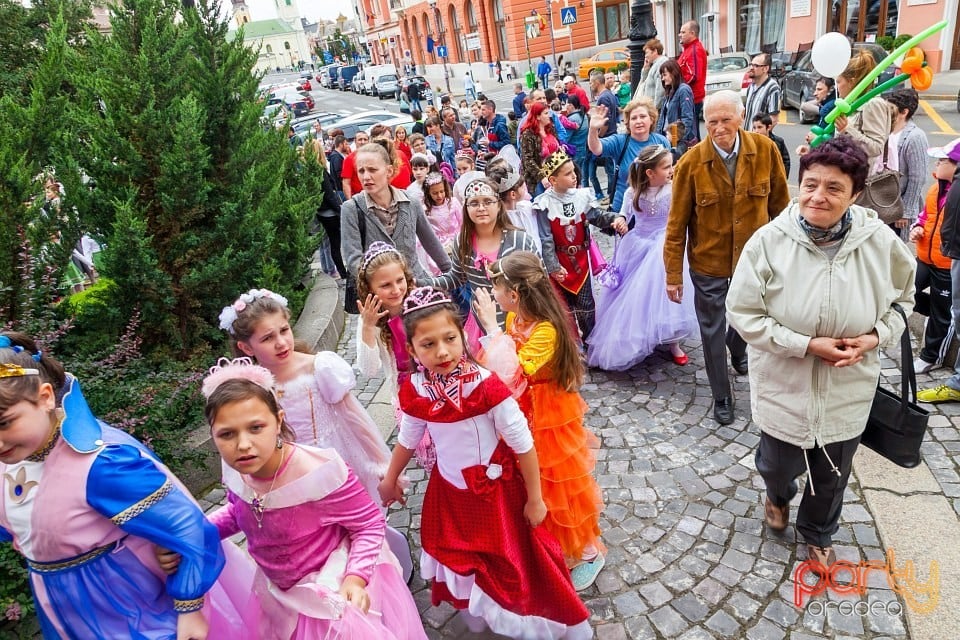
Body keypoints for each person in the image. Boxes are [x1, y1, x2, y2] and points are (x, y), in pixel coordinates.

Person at [726, 135, 915, 568]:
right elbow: (742, 311)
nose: (818, 196)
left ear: (855, 194)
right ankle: (777, 494)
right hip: (783, 385)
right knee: (777, 464)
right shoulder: (769, 242)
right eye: (811, 184)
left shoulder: (879, 244)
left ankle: (817, 532)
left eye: (834, 188)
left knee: (831, 475)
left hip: (847, 386)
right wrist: (805, 345)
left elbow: (905, 302)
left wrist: (874, 338)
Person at [0, 332, 250, 639]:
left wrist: (189, 607)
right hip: (61, 610)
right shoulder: (10, 460)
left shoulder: (100, 465)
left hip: (127, 613)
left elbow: (189, 528)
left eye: (4, 422)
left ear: (45, 397)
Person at [377, 287, 592, 639]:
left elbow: (523, 443)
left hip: (495, 497)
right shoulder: (416, 390)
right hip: (450, 494)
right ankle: (477, 610)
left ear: (463, 336)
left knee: (506, 561)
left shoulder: (485, 385)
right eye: (428, 345)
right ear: (412, 350)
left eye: (450, 338)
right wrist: (390, 478)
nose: (442, 351)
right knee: (461, 559)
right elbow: (409, 437)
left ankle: (520, 618)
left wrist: (535, 499)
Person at [197, 359, 428, 639]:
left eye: (256, 427)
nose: (243, 444)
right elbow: (239, 512)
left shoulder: (320, 471)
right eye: (227, 434)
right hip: (279, 595)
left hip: (327, 598)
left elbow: (368, 524)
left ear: (278, 420)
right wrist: (195, 533)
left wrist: (355, 578)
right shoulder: (237, 471)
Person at [475, 252, 606, 590]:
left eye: (496, 288)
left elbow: (513, 370)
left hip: (548, 413)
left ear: (514, 295)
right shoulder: (513, 321)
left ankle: (588, 552)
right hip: (522, 410)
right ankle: (548, 541)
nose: (494, 295)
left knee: (558, 480)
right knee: (529, 478)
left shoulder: (545, 331)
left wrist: (490, 328)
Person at [663, 90, 790, 425]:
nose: (719, 128)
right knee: (712, 331)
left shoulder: (765, 151)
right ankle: (722, 395)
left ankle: (739, 345)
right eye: (711, 122)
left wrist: (790, 255)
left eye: (725, 120)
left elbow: (781, 208)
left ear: (742, 116)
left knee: (754, 319)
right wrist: (673, 275)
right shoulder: (690, 164)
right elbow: (676, 226)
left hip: (755, 260)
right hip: (709, 262)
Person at [588, 144, 697, 370]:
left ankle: (672, 341)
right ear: (650, 172)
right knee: (636, 294)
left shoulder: (673, 189)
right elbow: (625, 215)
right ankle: (639, 332)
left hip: (664, 244)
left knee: (666, 295)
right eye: (666, 167)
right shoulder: (632, 192)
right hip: (638, 244)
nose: (671, 170)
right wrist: (619, 220)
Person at [425, 178, 539, 341]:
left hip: (522, 322)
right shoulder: (462, 242)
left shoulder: (520, 240)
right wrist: (424, 283)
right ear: (466, 208)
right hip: (483, 324)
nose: (481, 208)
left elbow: (539, 282)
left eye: (487, 202)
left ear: (498, 205)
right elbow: (457, 278)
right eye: (474, 203)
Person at [533, 151, 628, 340]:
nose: (574, 175)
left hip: (581, 262)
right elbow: (546, 238)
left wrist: (616, 218)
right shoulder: (544, 204)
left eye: (573, 171)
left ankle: (591, 339)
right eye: (567, 174)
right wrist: (552, 266)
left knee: (586, 305)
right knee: (565, 308)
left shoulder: (581, 197)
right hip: (560, 265)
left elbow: (597, 217)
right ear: (553, 180)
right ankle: (573, 345)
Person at [340, 143, 451, 282]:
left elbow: (431, 243)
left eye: (372, 170)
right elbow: (354, 261)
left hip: (418, 287)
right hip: (381, 295)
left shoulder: (411, 202)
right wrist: (384, 284)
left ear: (389, 171)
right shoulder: (351, 209)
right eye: (361, 171)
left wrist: (453, 275)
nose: (366, 177)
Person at [910, 139, 960, 375]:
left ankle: (932, 356)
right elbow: (925, 216)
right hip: (924, 257)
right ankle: (936, 313)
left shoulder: (956, 195)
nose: (938, 164)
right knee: (906, 291)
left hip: (946, 265)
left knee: (943, 313)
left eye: (943, 160)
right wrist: (916, 228)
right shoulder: (935, 189)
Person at [587, 97, 671, 213]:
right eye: (634, 118)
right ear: (628, 123)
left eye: (643, 116)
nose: (638, 121)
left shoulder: (662, 142)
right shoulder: (620, 141)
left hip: (654, 210)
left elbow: (670, 172)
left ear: (651, 119)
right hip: (624, 209)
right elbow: (596, 148)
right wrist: (593, 129)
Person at [887, 88, 930, 239]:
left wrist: (905, 212)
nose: (887, 113)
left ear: (904, 112)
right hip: (883, 201)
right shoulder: (887, 129)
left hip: (899, 205)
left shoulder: (915, 137)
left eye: (891, 109)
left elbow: (918, 177)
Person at [486, 159, 542, 254]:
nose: (525, 188)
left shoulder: (527, 208)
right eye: (521, 186)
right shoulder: (500, 218)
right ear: (513, 194)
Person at [416, 172, 462, 275]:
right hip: (439, 246)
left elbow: (463, 223)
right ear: (428, 193)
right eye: (435, 193)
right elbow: (424, 232)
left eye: (442, 191)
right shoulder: (426, 210)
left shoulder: (453, 203)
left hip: (457, 241)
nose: (439, 195)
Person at [655, 59, 697, 159]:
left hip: (679, 142)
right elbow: (662, 118)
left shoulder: (683, 90)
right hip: (668, 139)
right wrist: (658, 138)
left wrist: (674, 139)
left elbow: (687, 119)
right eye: (662, 75)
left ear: (673, 73)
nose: (663, 78)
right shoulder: (669, 93)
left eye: (664, 75)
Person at [520, 102, 562, 196]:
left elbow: (556, 146)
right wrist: (542, 177)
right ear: (538, 116)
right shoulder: (528, 134)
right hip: (537, 180)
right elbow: (527, 159)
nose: (549, 116)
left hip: (555, 173)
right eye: (546, 113)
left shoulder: (550, 128)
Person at [591, 70, 620, 201]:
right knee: (611, 168)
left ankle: (610, 194)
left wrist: (599, 136)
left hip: (607, 135)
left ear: (597, 83)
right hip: (613, 133)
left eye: (591, 82)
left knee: (610, 169)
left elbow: (605, 121)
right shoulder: (610, 94)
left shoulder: (603, 97)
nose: (590, 85)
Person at [677, 20, 707, 141]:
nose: (680, 34)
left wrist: (677, 86)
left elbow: (693, 75)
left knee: (691, 132)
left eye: (683, 32)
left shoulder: (694, 49)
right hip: (689, 96)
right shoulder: (688, 49)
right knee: (689, 130)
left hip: (691, 98)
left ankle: (697, 157)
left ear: (692, 33)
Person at [742, 53, 781, 128]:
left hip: (759, 138)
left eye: (756, 66)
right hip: (749, 137)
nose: (751, 68)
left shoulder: (772, 88)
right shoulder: (751, 87)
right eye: (751, 64)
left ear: (765, 69)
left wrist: (761, 137)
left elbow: (774, 119)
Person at [752, 114, 791, 178]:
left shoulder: (778, 142)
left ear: (768, 127)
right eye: (754, 128)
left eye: (760, 127)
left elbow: (785, 161)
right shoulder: (750, 142)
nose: (756, 131)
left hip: (773, 179)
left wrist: (782, 178)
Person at [635, 38, 667, 107]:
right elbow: (643, 81)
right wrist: (646, 69)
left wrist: (655, 108)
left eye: (647, 53)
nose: (645, 56)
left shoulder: (660, 64)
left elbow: (660, 90)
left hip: (654, 109)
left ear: (655, 51)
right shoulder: (655, 64)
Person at [340, 130, 371, 199]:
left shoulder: (375, 155)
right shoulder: (349, 159)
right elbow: (346, 183)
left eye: (365, 139)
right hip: (360, 198)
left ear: (368, 141)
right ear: (355, 141)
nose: (363, 142)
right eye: (360, 139)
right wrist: (350, 201)